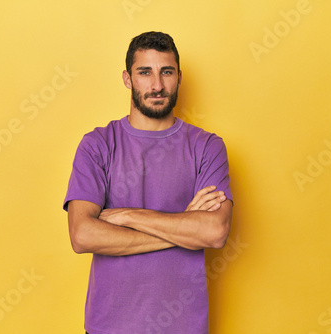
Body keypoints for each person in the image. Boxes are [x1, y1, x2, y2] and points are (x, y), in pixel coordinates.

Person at [63, 31, 233, 334]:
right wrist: (184, 226)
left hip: (184, 326)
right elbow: (83, 235)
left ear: (179, 77)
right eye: (145, 72)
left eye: (166, 72)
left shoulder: (207, 147)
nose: (157, 85)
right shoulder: (97, 145)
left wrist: (126, 216)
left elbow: (215, 232)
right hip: (108, 326)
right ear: (128, 79)